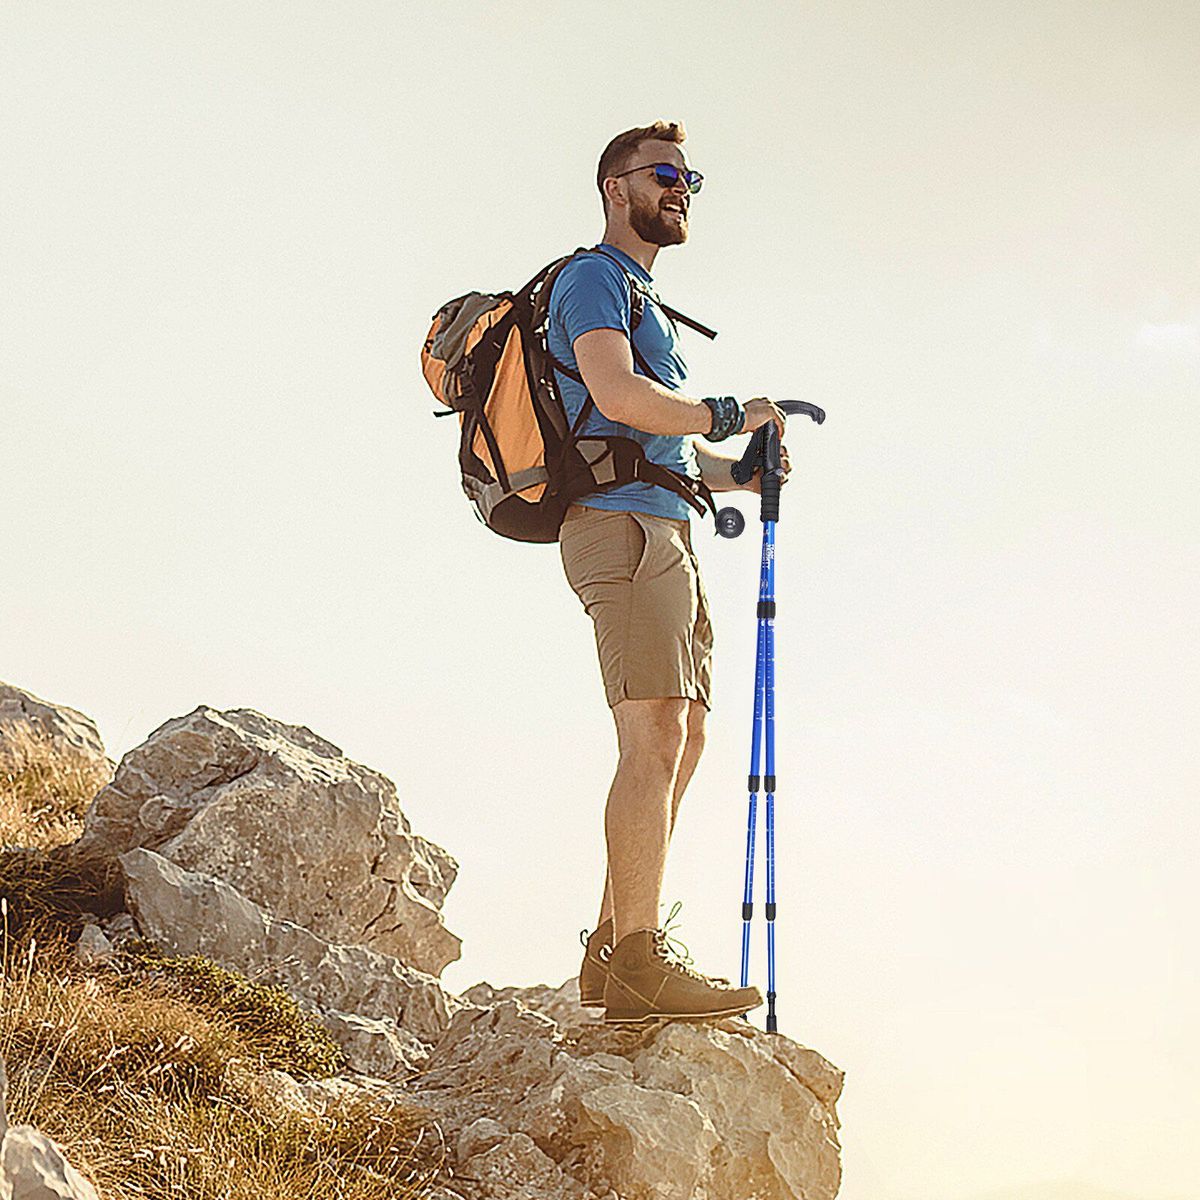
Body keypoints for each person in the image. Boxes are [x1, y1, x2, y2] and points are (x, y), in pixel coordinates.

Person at [550, 119, 792, 1024]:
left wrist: (742, 468)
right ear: (618, 187)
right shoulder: (592, 281)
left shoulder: (645, 299)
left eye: (690, 179)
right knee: (651, 731)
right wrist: (726, 411)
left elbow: (664, 445)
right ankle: (637, 960)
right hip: (621, 531)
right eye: (664, 175)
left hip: (665, 527)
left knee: (681, 738)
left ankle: (615, 947)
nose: (680, 190)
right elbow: (617, 396)